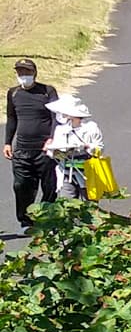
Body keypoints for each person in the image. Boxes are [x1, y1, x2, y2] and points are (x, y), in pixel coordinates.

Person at [5, 59, 59, 232]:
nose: (24, 76)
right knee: (21, 185)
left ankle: (47, 220)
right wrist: (7, 142)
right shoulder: (13, 93)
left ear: (34, 73)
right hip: (22, 150)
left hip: (45, 150)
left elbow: (56, 118)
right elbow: (12, 118)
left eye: (27, 73)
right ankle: (26, 222)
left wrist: (52, 139)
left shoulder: (47, 91)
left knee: (49, 186)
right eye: (20, 73)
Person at [41, 96, 104, 201]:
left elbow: (99, 149)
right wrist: (53, 151)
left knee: (89, 206)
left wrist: (86, 147)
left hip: (87, 174)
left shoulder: (91, 128)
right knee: (67, 205)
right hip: (66, 173)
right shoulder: (61, 129)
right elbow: (54, 151)